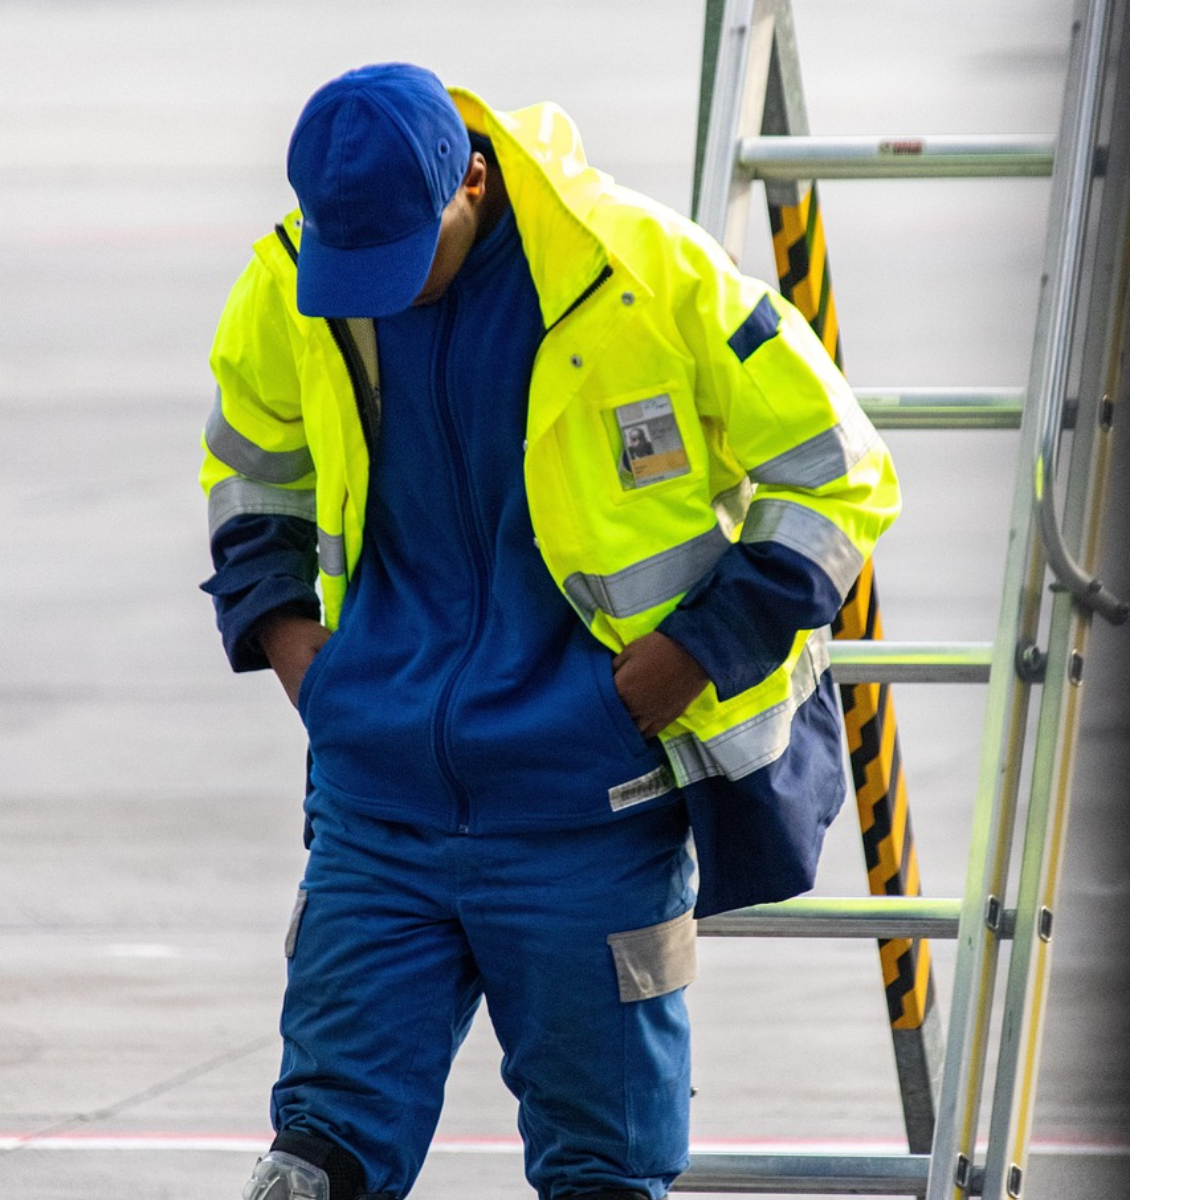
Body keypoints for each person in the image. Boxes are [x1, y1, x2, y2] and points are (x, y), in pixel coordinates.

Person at [200, 63, 899, 1200]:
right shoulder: (293, 281)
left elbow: (837, 477)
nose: (375, 294)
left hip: (591, 809)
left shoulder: (644, 272)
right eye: (352, 269)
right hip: (378, 804)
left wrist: (699, 653)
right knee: (312, 1164)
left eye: (401, 262)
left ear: (471, 180)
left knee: (604, 1175)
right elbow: (248, 472)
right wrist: (294, 648)